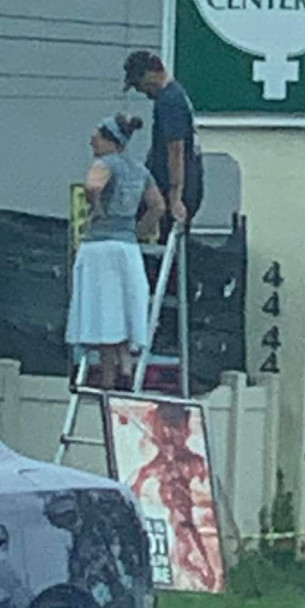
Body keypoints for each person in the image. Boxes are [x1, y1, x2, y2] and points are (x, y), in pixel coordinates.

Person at [66, 115, 165, 390]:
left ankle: (108, 377)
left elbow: (93, 186)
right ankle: (126, 364)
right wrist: (139, 230)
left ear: (110, 140)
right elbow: (158, 206)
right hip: (127, 247)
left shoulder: (104, 164)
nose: (91, 140)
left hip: (100, 247)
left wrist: (96, 207)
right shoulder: (139, 170)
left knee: (104, 311)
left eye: (96, 135)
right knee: (124, 309)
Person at [122, 51, 204, 236]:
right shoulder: (174, 95)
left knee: (167, 246)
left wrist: (175, 196)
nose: (140, 91)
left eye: (138, 84)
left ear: (149, 74)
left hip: (172, 190)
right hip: (176, 185)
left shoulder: (169, 101)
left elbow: (176, 149)